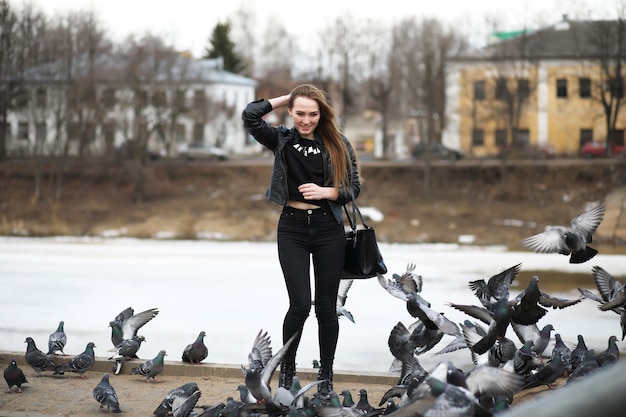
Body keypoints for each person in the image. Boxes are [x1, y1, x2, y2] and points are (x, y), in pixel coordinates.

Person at [241, 84, 361, 396]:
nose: (306, 120)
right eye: (300, 113)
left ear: (322, 115)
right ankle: (287, 372)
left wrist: (328, 192)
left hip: (328, 229)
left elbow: (355, 187)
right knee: (298, 306)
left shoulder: (337, 143)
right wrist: (287, 98)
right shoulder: (281, 138)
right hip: (291, 228)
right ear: (291, 112)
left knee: (325, 308)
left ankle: (325, 378)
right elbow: (250, 115)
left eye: (312, 114)